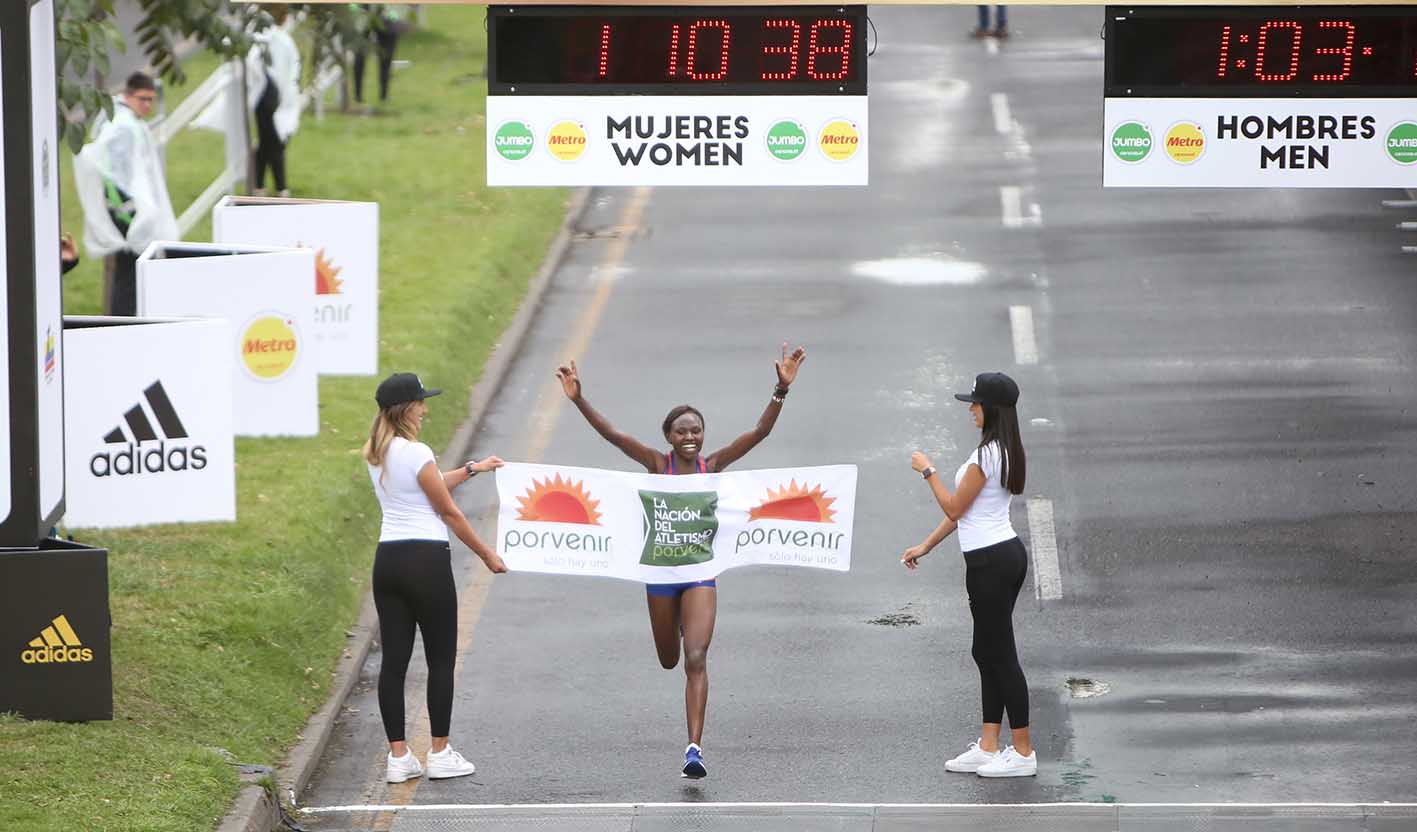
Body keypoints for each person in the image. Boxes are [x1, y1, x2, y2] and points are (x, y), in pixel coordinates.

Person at [555, 344, 807, 779]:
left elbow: (759, 433)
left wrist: (780, 390)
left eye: (696, 431)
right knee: (669, 659)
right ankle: (675, 622)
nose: (690, 437)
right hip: (659, 576)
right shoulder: (657, 464)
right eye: (681, 432)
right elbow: (613, 435)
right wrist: (578, 399)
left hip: (699, 575)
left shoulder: (713, 465)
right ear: (669, 437)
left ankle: (694, 748)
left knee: (695, 658)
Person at [363, 372, 509, 784]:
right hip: (425, 560)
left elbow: (424, 488)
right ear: (407, 408)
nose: (426, 409)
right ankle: (440, 752)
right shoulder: (416, 450)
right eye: (422, 402)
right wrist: (485, 553)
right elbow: (447, 511)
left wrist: (471, 469)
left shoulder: (377, 452)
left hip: (388, 561)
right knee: (440, 659)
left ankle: (399, 758)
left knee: (394, 662)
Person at [902, 371, 1036, 778]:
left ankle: (1024, 752)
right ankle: (990, 745)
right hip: (996, 557)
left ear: (990, 408)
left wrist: (928, 471)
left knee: (1002, 655)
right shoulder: (1001, 449)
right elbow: (967, 513)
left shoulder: (987, 455)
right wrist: (926, 545)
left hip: (992, 562)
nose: (970, 409)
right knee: (986, 652)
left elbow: (955, 507)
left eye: (974, 404)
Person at [71, 71, 178, 316]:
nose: (148, 105)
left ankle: (126, 318)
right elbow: (118, 173)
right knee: (129, 273)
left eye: (152, 100)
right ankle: (123, 321)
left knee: (130, 270)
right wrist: (134, 207)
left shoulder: (121, 119)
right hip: (125, 211)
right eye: (143, 99)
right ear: (128, 96)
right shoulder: (125, 127)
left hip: (124, 208)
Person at [248, 5, 301, 197]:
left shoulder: (260, 36)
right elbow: (292, 70)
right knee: (275, 143)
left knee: (265, 142)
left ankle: (259, 186)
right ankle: (281, 188)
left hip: (263, 96)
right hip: (271, 95)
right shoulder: (281, 40)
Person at [353, 5, 407, 105]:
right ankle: (358, 96)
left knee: (386, 57)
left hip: (388, 13)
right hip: (364, 12)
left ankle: (383, 96)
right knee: (360, 55)